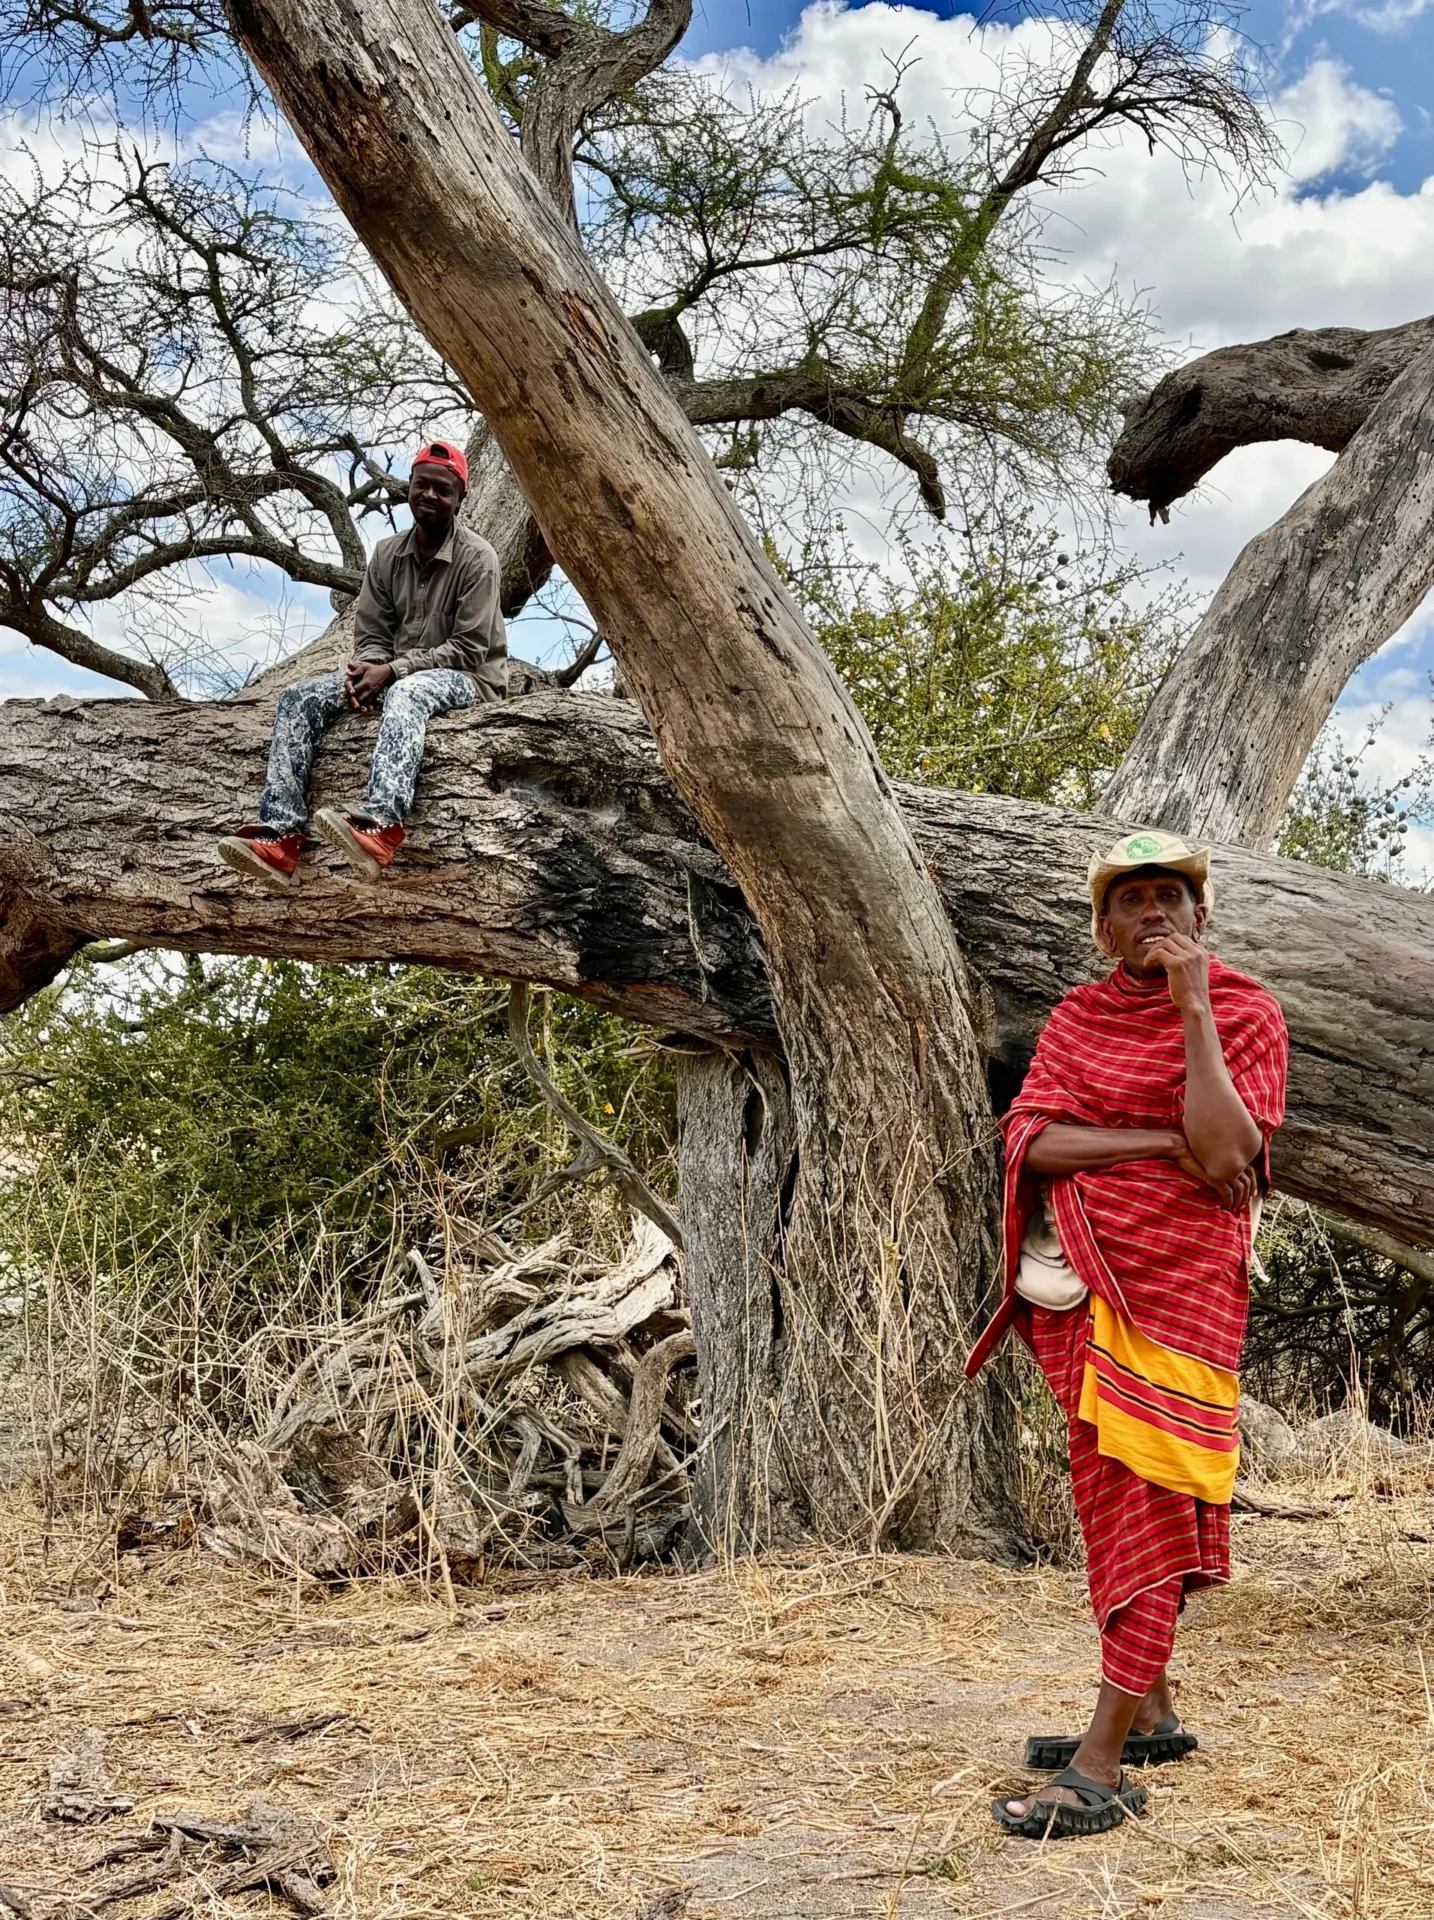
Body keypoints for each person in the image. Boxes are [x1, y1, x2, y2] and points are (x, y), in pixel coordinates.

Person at [966, 829, 1288, 1841]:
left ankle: (1101, 1761)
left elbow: (1233, 1149)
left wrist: (1191, 1005)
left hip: (1178, 1295)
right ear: (1103, 928)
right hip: (1075, 1292)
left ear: (1202, 917)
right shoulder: (1079, 1017)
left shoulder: (1243, 1012)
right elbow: (1031, 1137)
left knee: (1141, 1498)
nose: (1154, 912)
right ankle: (1149, 1708)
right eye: (1132, 899)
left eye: (1172, 896)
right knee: (1108, 1493)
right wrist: (1160, 1140)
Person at [218, 438, 507, 888]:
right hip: (391, 674)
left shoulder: (479, 559)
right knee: (298, 697)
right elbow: (371, 633)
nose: (430, 495)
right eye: (421, 485)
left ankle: (382, 826)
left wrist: (392, 672)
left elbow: (469, 647)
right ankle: (282, 835)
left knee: (409, 692)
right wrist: (366, 674)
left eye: (442, 490)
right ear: (409, 487)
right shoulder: (387, 554)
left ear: (460, 497)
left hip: (468, 678)